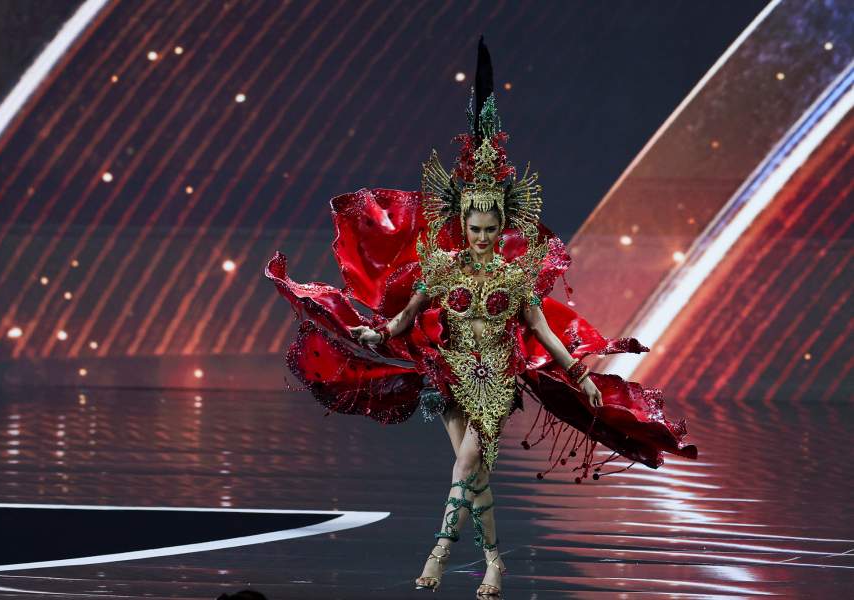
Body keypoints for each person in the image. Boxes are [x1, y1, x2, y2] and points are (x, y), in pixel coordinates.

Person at [265, 37, 696, 599]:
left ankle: (438, 555)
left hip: (498, 381)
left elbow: (540, 331)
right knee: (476, 477)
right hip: (450, 377)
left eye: (493, 230)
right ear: (464, 224)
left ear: (502, 227)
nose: (485, 237)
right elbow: (405, 319)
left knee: (464, 467)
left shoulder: (516, 278)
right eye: (476, 228)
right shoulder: (442, 270)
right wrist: (378, 332)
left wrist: (582, 376)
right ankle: (495, 562)